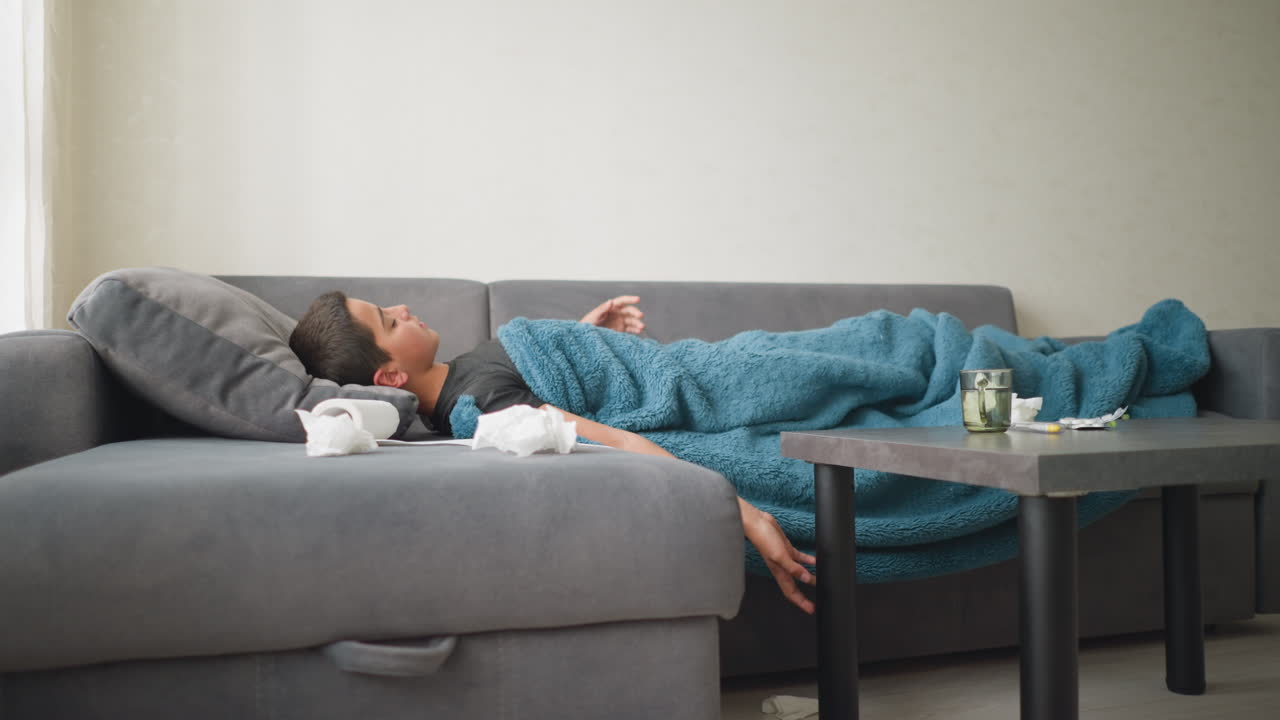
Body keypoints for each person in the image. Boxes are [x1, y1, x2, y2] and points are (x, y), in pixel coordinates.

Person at [289, 292, 818, 614]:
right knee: (848, 355)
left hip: (672, 360)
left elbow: (546, 388)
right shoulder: (484, 409)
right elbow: (613, 440)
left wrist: (585, 340)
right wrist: (746, 515)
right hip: (706, 381)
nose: (403, 309)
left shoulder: (464, 375)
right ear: (391, 377)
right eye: (389, 320)